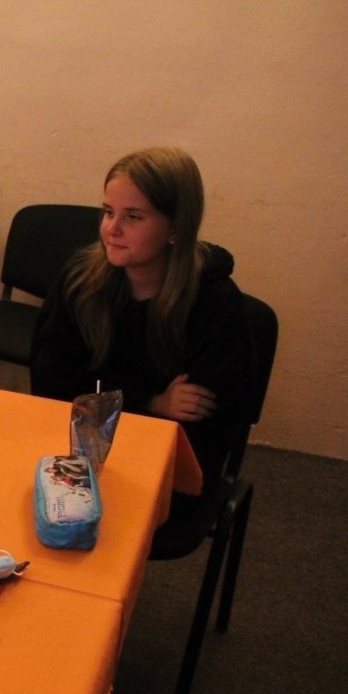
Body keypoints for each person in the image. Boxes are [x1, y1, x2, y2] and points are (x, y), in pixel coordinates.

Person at [30, 146, 250, 498]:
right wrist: (152, 401)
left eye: (133, 217)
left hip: (162, 468)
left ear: (175, 228)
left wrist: (106, 398)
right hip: (76, 449)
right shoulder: (80, 280)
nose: (112, 229)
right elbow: (51, 382)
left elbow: (201, 427)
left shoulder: (215, 303)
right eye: (108, 212)